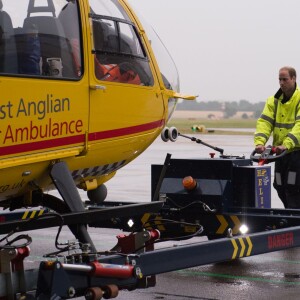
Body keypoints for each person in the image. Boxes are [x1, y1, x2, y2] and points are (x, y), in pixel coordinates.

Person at [254, 66, 300, 208]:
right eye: (279, 79)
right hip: (279, 154)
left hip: (295, 153)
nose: (281, 83)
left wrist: (287, 144)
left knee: (293, 187)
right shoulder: (273, 101)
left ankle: (294, 218)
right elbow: (265, 122)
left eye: (285, 79)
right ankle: (289, 213)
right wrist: (260, 143)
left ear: (293, 79)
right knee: (279, 185)